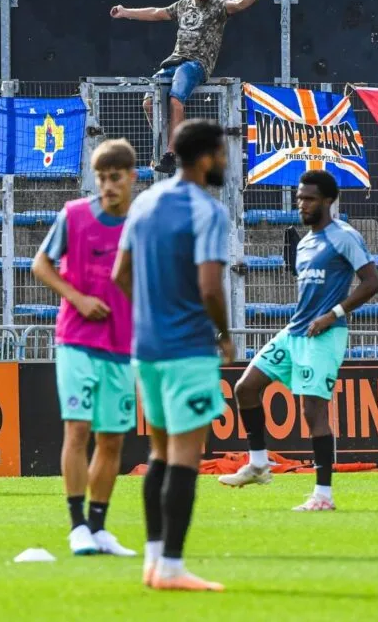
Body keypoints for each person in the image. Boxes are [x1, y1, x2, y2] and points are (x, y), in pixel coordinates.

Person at [111, 118, 235, 592]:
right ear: (204, 158)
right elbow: (210, 287)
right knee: (185, 456)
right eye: (221, 152)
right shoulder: (207, 210)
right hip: (187, 349)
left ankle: (154, 562)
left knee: (159, 454)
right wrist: (223, 335)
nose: (224, 160)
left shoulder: (144, 202)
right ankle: (172, 568)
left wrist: (149, 312)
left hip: (146, 347)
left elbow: (121, 274)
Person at [220, 169, 378, 511]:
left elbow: (372, 283)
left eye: (309, 198)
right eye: (299, 198)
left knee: (312, 411)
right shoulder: (305, 242)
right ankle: (259, 463)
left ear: (328, 200)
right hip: (296, 331)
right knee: (246, 388)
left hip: (325, 334)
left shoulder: (344, 237)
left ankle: (323, 495)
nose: (302, 204)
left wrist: (332, 314)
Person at [31, 139, 140, 558]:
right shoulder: (74, 215)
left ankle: (99, 527)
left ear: (131, 178)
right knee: (77, 429)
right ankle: (77, 526)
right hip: (76, 339)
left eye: (115, 178)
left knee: (112, 440)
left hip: (121, 345)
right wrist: (77, 299)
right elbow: (41, 264)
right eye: (101, 178)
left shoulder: (142, 226)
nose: (108, 186)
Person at [109, 0, 266, 175]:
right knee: (149, 102)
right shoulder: (182, 6)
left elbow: (237, 3)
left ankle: (171, 154)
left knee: (176, 98)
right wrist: (125, 12)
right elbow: (156, 12)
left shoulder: (218, 7)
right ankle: (172, 142)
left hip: (196, 63)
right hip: (174, 61)